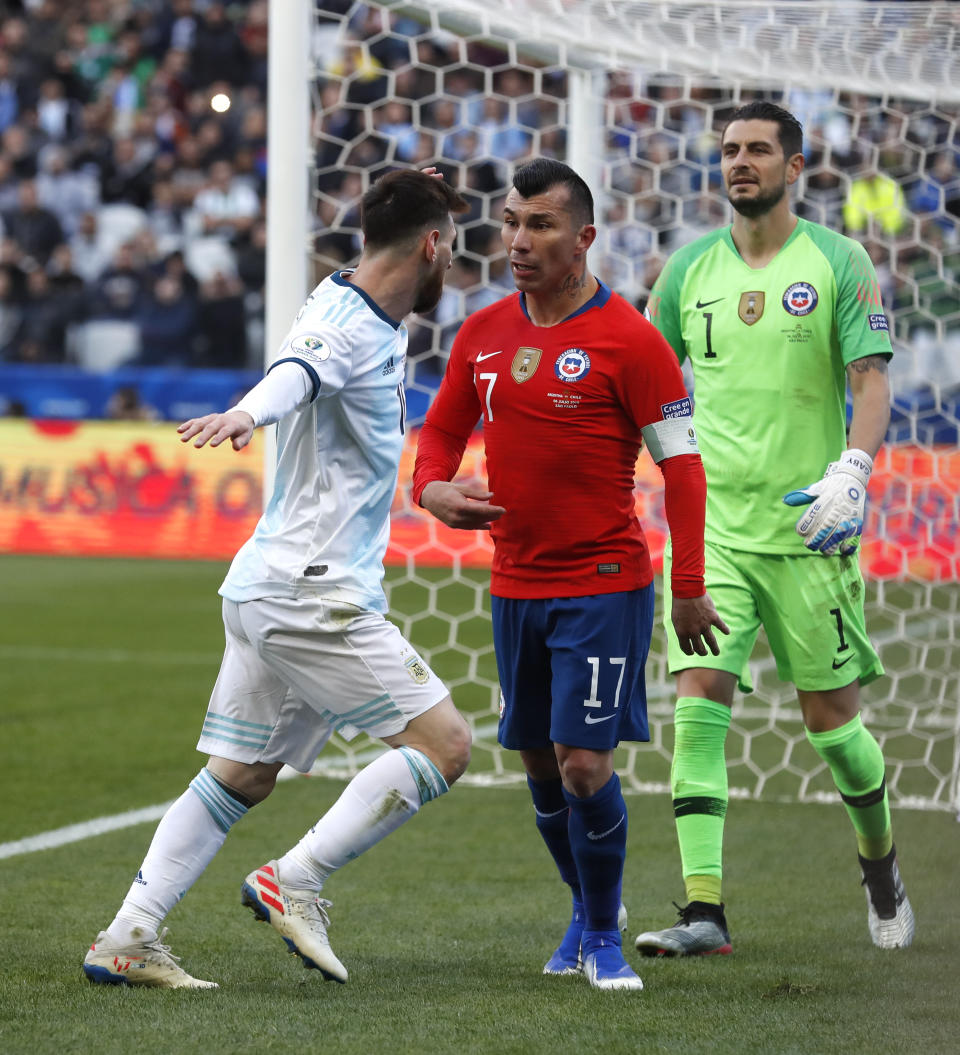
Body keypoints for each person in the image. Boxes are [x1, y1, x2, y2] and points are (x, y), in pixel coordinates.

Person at [83, 168, 472, 989]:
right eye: (452, 249)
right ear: (433, 246)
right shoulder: (346, 320)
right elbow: (298, 370)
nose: (454, 267)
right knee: (444, 745)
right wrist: (245, 413)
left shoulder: (356, 295)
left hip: (268, 581)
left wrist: (415, 183)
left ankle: (128, 934)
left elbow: (315, 354)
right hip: (313, 592)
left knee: (243, 775)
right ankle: (294, 878)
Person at [413, 158, 727, 991]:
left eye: (540, 225)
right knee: (542, 771)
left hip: (604, 579)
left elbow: (684, 469)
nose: (519, 239)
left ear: (583, 237)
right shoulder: (482, 333)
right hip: (515, 582)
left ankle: (601, 934)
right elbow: (440, 432)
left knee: (584, 761)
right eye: (512, 221)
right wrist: (433, 488)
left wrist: (689, 585)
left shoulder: (631, 340)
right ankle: (589, 908)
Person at [633, 101, 914, 959]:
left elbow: (870, 383)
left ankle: (881, 867)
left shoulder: (839, 261)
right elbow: (641, 384)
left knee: (835, 730)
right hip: (711, 529)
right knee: (698, 707)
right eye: (728, 151)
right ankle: (704, 911)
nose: (739, 162)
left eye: (758, 150)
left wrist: (853, 469)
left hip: (809, 530)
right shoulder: (687, 271)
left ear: (795, 167)